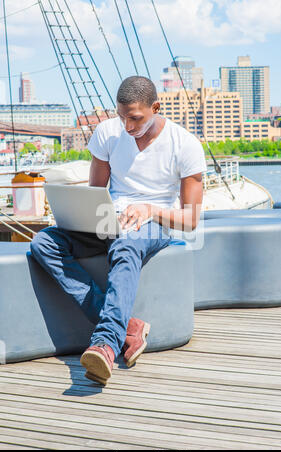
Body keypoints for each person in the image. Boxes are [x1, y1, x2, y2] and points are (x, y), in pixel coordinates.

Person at [30, 76, 207, 386]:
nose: (127, 126)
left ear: (156, 107)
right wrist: (85, 217)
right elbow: (93, 194)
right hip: (108, 220)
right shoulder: (107, 133)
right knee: (44, 242)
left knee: (126, 244)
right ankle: (128, 329)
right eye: (121, 116)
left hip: (155, 224)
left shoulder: (185, 145)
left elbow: (191, 219)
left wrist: (149, 210)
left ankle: (105, 345)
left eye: (135, 117)